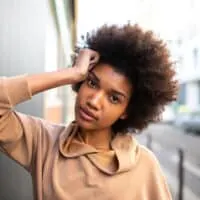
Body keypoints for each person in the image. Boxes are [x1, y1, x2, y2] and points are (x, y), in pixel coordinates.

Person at [0, 24, 178, 200]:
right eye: (92, 83)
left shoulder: (144, 166)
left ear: (127, 111)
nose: (93, 101)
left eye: (114, 98)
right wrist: (72, 73)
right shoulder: (43, 141)